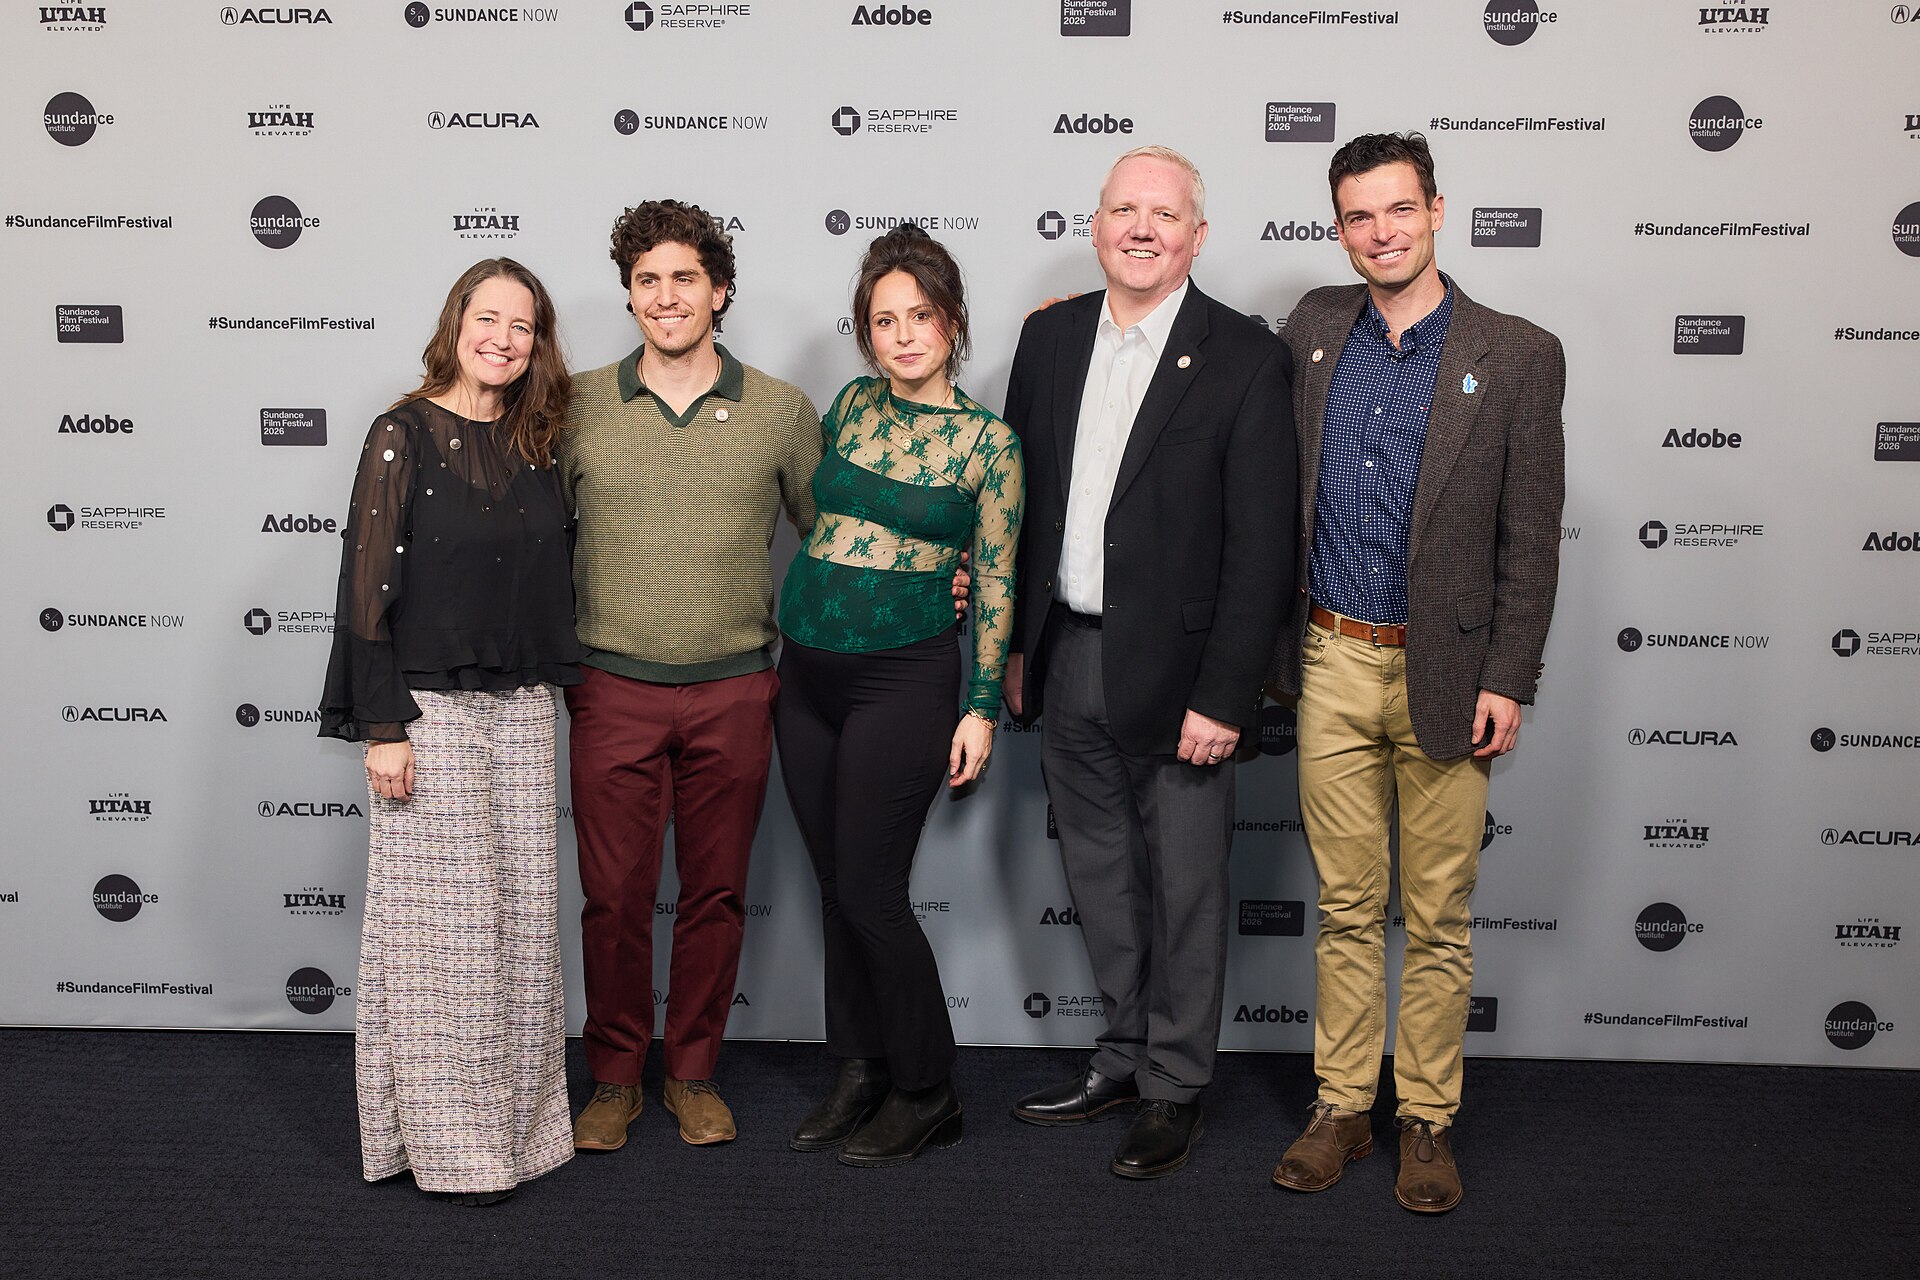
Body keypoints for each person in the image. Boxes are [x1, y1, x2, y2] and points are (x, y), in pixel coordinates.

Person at [1266, 132, 1565, 1214]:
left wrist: (1509, 675)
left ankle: (1426, 1117)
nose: (1381, 232)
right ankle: (1343, 1105)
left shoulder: (1518, 353)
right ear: (1338, 228)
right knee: (1347, 906)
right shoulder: (1311, 329)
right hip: (1330, 659)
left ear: (1437, 210)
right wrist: (1079, 320)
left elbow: (1532, 535)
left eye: (1399, 209)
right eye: (1359, 215)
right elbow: (1197, 368)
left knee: (1437, 915)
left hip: (1447, 670)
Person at [1002, 145, 1296, 1179]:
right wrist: (1014, 646)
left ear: (1196, 237)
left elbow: (1263, 547)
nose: (1141, 228)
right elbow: (1019, 507)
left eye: (1164, 215)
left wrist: (1227, 695)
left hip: (1185, 682)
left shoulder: (1245, 356)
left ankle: (1174, 1083)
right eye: (1124, 209)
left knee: (1186, 886)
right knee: (1101, 874)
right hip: (1067, 655)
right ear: (1095, 225)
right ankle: (1122, 1054)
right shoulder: (1048, 339)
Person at [557, 200, 821, 1151]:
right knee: (614, 898)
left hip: (736, 690)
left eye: (684, 278)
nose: (666, 297)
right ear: (629, 296)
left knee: (715, 892)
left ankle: (694, 1071)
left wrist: (942, 575)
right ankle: (614, 1079)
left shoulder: (781, 411)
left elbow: (836, 536)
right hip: (610, 687)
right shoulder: (576, 405)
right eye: (647, 280)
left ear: (720, 290)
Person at [319, 257, 583, 1206]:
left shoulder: (537, 441)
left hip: (523, 708)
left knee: (523, 927)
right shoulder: (402, 434)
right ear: (455, 323)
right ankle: (453, 1150)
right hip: (427, 712)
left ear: (537, 343)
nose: (502, 339)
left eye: (522, 326)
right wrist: (382, 726)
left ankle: (525, 1132)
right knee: (445, 942)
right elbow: (365, 590)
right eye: (487, 319)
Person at [775, 224, 1024, 1168]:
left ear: (953, 322)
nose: (904, 335)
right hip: (805, 676)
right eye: (885, 320)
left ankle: (927, 1090)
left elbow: (994, 578)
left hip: (902, 680)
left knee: (874, 892)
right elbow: (828, 523)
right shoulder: (848, 405)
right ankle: (860, 1067)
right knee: (836, 888)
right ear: (866, 333)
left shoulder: (989, 444)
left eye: (921, 315)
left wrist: (981, 705)